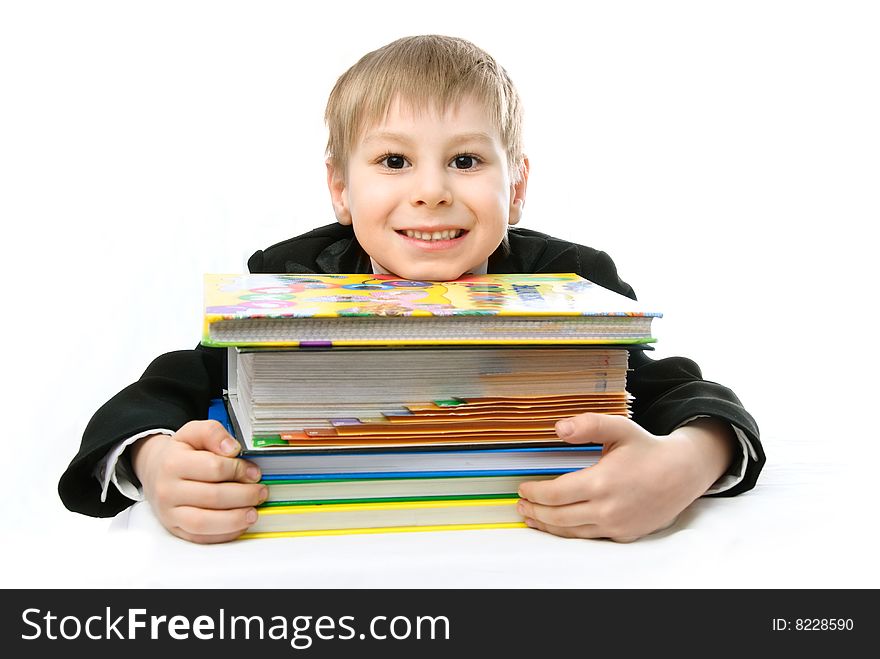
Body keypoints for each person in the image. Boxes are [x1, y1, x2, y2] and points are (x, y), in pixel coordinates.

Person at [59, 35, 765, 544]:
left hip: (535, 551)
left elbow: (679, 388)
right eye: (394, 160)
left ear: (514, 187)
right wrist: (152, 463)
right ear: (341, 188)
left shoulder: (573, 281)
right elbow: (166, 387)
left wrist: (688, 464)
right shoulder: (290, 279)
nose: (431, 192)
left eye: (465, 159)